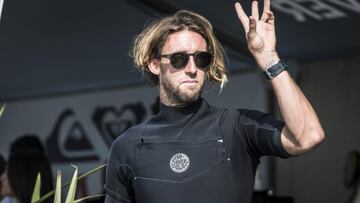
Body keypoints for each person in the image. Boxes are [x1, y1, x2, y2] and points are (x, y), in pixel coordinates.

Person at [105, 0, 325, 202]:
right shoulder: (127, 146)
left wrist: (269, 58)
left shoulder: (237, 126)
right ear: (155, 65)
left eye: (201, 58)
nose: (192, 69)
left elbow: (308, 136)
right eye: (179, 59)